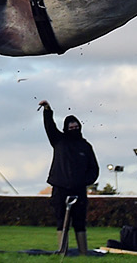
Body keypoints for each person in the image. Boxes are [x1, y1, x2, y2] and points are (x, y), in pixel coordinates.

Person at [37, 99, 100, 255]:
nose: (74, 129)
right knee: (61, 220)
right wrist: (47, 110)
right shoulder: (58, 140)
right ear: (66, 128)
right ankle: (62, 251)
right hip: (60, 188)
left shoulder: (86, 146)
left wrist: (84, 181)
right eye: (71, 127)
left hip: (79, 190)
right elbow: (50, 127)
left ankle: (83, 252)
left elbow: (94, 168)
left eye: (76, 127)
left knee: (80, 222)